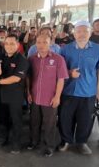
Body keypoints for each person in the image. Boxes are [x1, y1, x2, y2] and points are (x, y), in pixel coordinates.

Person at [58, 21, 99, 155]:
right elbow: (59, 70)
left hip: (88, 91)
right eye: (79, 31)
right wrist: (70, 73)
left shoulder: (97, 49)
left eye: (85, 31)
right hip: (68, 90)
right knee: (65, 117)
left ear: (90, 33)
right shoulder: (65, 49)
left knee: (86, 119)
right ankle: (66, 141)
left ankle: (82, 142)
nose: (82, 34)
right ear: (74, 34)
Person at [27, 34, 68, 157]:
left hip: (50, 98)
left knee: (49, 123)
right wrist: (28, 93)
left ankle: (49, 145)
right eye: (38, 42)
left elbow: (61, 79)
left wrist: (57, 97)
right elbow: (28, 77)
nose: (41, 45)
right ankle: (34, 142)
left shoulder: (58, 59)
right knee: (34, 121)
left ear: (50, 43)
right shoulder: (31, 59)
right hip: (34, 97)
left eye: (45, 42)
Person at [0, 34, 29, 154]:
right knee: (2, 119)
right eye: (7, 43)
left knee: (16, 120)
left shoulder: (22, 60)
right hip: (2, 94)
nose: (9, 46)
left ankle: (16, 144)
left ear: (18, 45)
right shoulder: (1, 57)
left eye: (12, 43)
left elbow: (16, 78)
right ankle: (2, 139)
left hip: (15, 96)